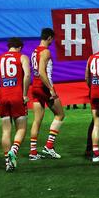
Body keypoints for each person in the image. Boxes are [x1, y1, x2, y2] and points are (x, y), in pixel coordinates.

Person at [0, 38, 31, 171]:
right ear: (20, 47)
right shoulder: (22, 57)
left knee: (6, 131)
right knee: (21, 128)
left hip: (3, 97)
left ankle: (7, 162)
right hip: (17, 96)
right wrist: (25, 94)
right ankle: (14, 151)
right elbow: (27, 76)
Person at [29, 27, 65, 160]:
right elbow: (42, 72)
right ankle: (49, 146)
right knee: (60, 114)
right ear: (49, 38)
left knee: (37, 120)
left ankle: (33, 152)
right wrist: (50, 88)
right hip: (44, 86)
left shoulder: (34, 51)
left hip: (35, 86)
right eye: (52, 39)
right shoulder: (46, 52)